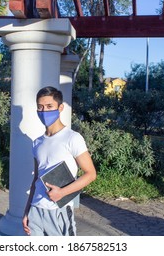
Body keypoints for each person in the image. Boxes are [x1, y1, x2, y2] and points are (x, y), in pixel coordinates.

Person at [22, 86, 96, 236]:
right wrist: (27, 210)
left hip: (58, 210)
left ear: (60, 108)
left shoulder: (73, 138)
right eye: (40, 107)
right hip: (36, 210)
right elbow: (36, 178)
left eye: (49, 106)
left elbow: (90, 174)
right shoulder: (37, 142)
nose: (44, 111)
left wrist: (62, 192)